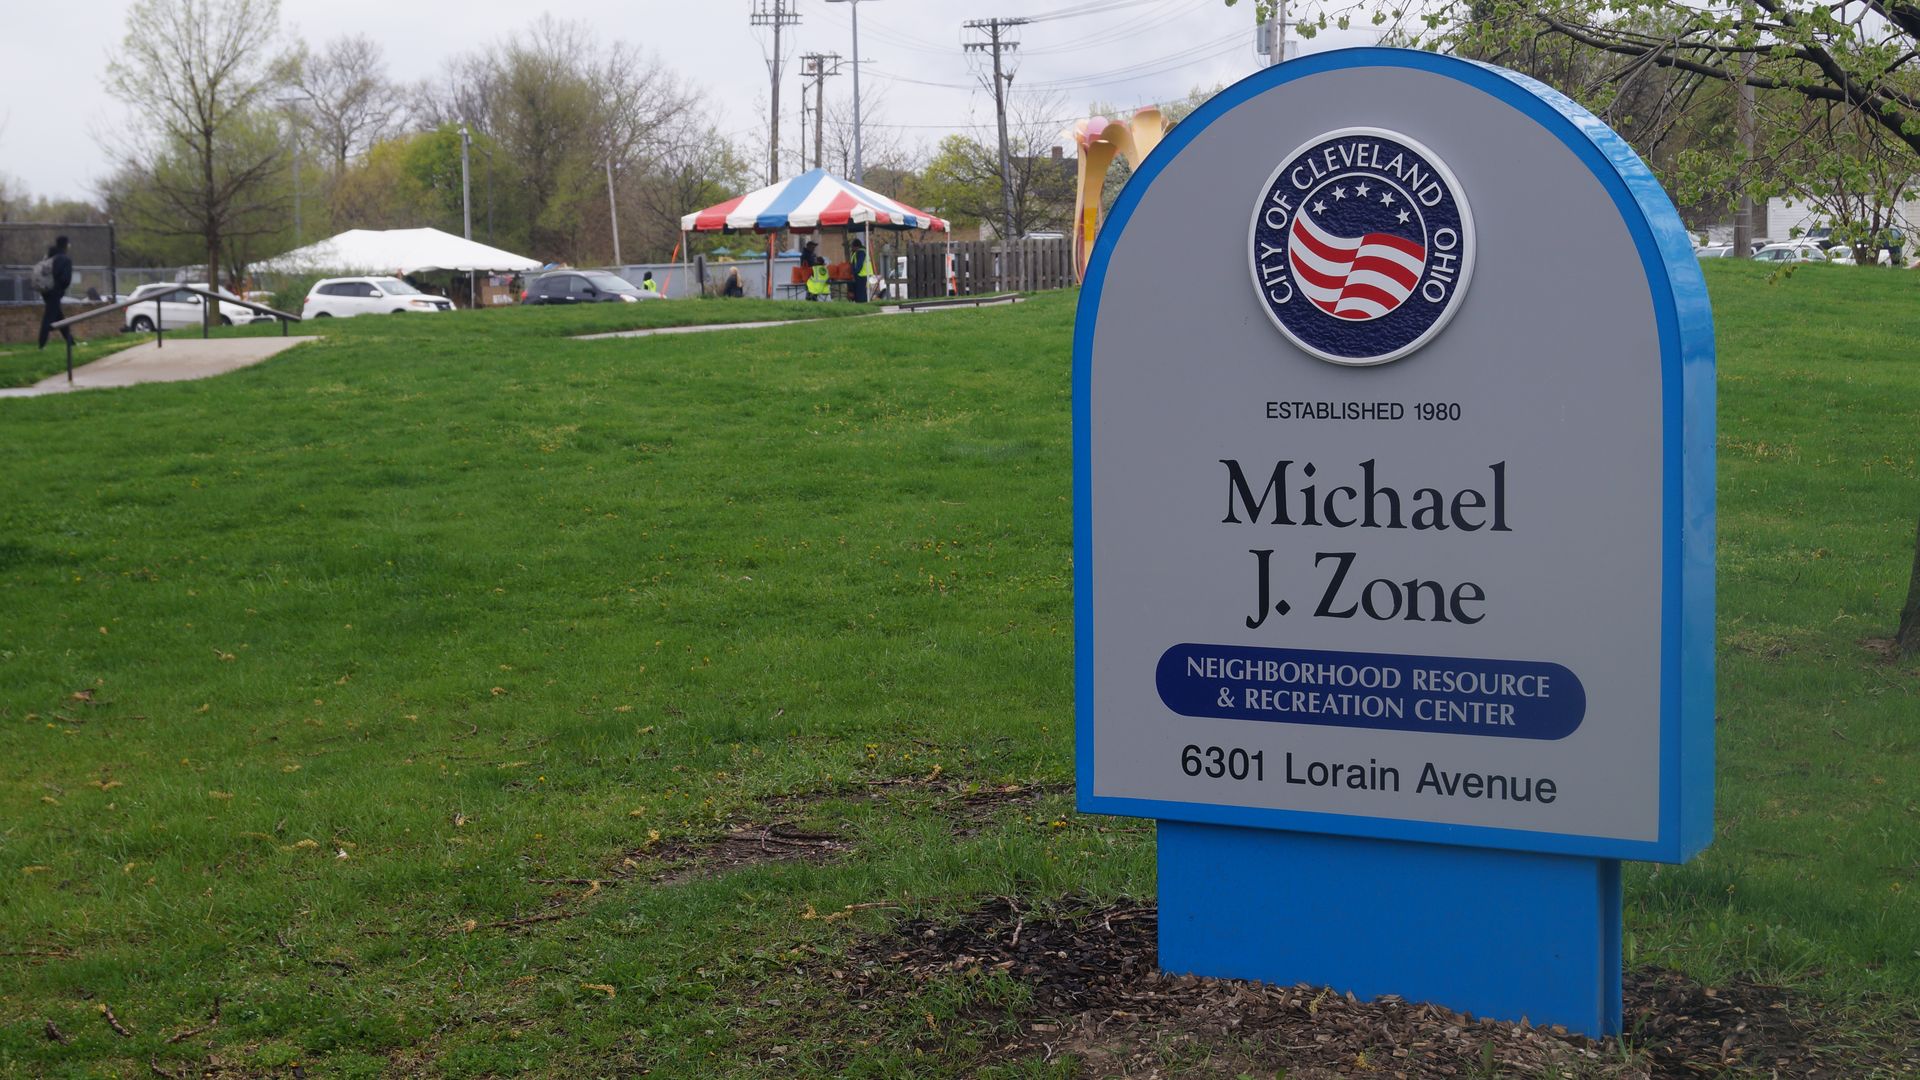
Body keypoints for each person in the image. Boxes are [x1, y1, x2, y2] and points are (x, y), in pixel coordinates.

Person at [36, 236, 75, 350]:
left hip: (45, 290)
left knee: (59, 316)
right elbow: (66, 279)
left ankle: (70, 341)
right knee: (49, 318)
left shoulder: (49, 256)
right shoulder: (65, 259)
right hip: (55, 291)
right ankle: (41, 344)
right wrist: (61, 289)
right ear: (66, 244)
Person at [848, 238, 872, 303]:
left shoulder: (861, 252)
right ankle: (860, 303)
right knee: (860, 292)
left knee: (860, 293)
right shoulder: (859, 252)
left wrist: (854, 273)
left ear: (856, 246)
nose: (851, 248)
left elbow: (859, 265)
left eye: (852, 247)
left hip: (861, 275)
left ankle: (862, 304)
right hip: (862, 274)